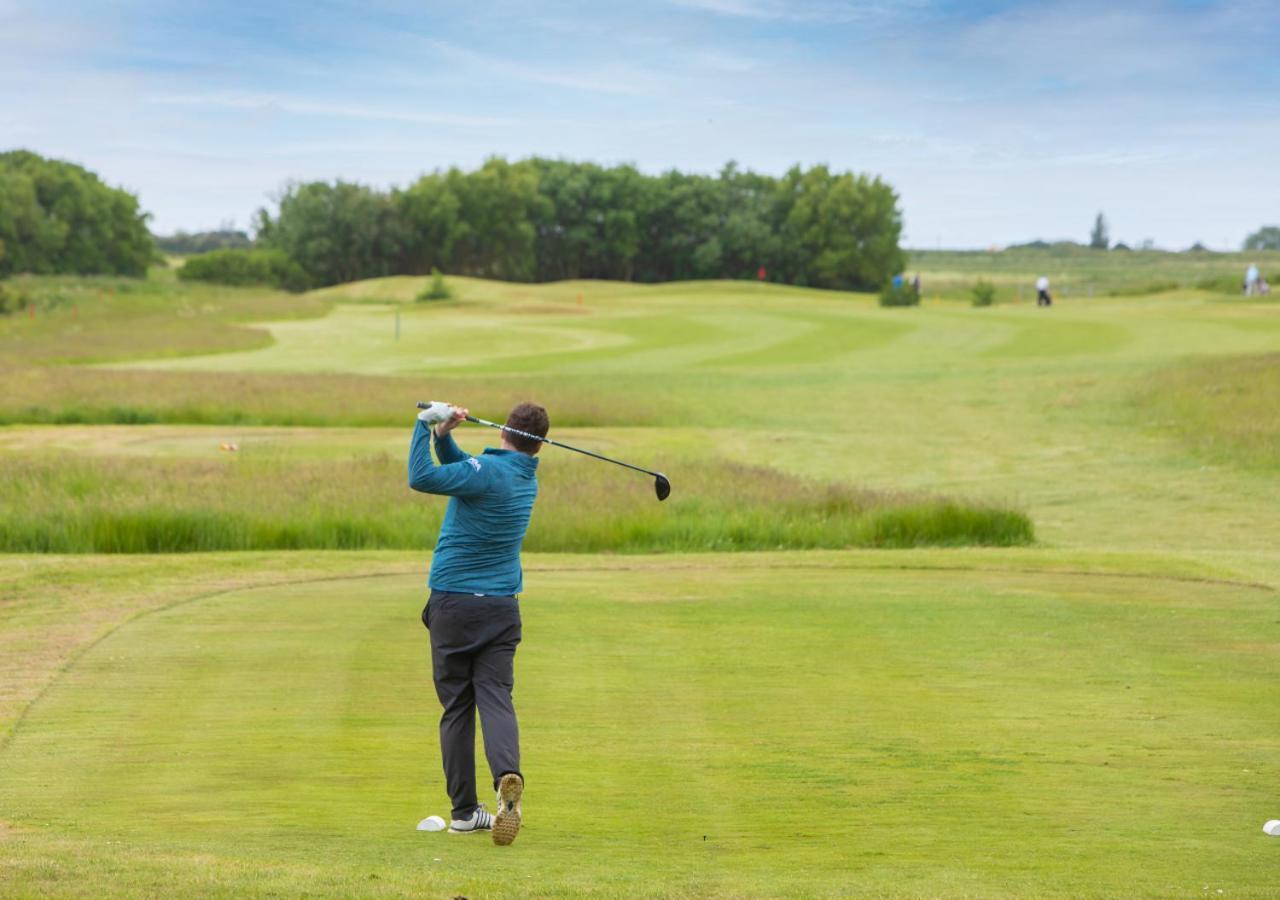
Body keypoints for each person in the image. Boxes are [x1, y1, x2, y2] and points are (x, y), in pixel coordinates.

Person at [408, 401, 550, 846]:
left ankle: (466, 811)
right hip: (501, 608)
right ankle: (507, 774)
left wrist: (422, 426)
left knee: (456, 708)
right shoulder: (524, 478)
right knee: (495, 697)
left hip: (454, 604)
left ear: (506, 430)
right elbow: (469, 471)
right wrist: (445, 437)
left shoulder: (489, 471)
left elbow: (422, 477)